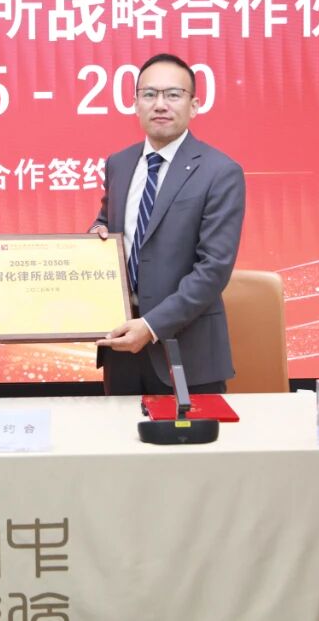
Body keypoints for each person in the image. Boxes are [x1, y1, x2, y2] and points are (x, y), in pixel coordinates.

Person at [89, 53, 245, 395]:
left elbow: (213, 269)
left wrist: (151, 326)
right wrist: (93, 238)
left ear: (194, 105)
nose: (160, 104)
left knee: (191, 434)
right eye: (149, 94)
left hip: (186, 352)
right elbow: (107, 222)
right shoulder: (119, 163)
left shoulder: (220, 172)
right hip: (120, 344)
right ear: (135, 104)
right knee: (118, 430)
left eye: (173, 94)